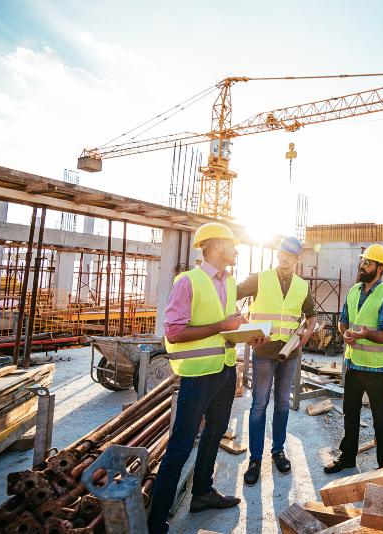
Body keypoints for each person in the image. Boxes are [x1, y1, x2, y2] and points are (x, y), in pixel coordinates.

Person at [147, 222, 243, 534]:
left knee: (215, 433)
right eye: (232, 244)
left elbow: (227, 326)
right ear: (215, 247)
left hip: (225, 369)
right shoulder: (187, 282)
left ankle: (202, 493)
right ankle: (157, 520)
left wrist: (244, 333)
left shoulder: (229, 283)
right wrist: (222, 326)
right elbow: (173, 332)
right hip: (197, 376)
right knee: (180, 446)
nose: (236, 249)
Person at [237, 236, 317, 486]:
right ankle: (255, 459)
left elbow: (311, 316)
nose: (284, 258)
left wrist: (307, 333)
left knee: (282, 403)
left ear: (296, 259)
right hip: (264, 352)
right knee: (259, 404)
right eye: (281, 253)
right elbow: (230, 296)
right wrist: (246, 330)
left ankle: (278, 452)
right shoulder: (260, 279)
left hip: (290, 354)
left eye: (289, 255)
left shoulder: (302, 286)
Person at [324, 244, 383, 474]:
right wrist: (343, 331)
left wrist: (366, 334)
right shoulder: (354, 290)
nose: (362, 265)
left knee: (381, 420)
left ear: (380, 268)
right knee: (350, 413)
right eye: (362, 261)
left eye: (368, 262)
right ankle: (348, 458)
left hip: (376, 370)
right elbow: (344, 319)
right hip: (353, 365)